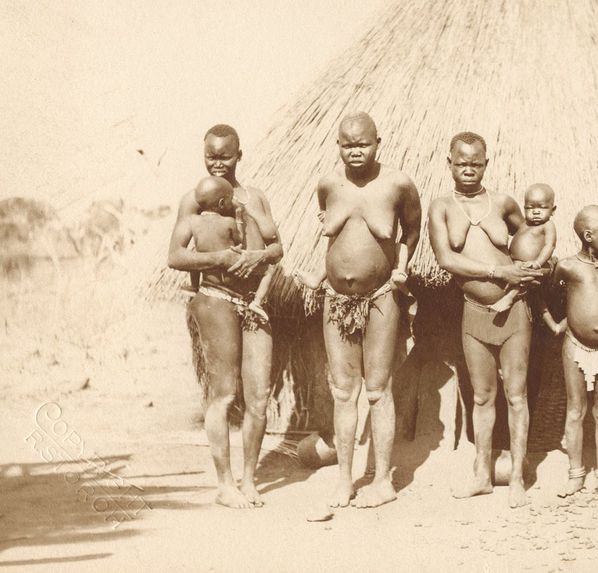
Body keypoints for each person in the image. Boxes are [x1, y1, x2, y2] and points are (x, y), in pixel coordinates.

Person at [297, 112, 421, 516]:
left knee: (377, 389)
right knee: (343, 392)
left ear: (378, 142)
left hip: (381, 297)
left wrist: (402, 265)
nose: (355, 151)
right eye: (347, 144)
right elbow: (331, 232)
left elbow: (413, 229)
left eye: (362, 144)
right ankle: (345, 479)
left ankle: (383, 480)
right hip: (335, 299)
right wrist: (322, 275)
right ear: (338, 145)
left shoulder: (398, 184)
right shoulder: (328, 185)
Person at [168, 124, 283, 509]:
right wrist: (219, 258)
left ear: (239, 155)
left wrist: (257, 257)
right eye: (211, 155)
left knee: (259, 397)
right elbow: (177, 256)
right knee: (222, 394)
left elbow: (276, 246)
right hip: (216, 300)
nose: (217, 163)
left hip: (255, 304)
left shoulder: (254, 197)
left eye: (225, 155)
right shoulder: (194, 200)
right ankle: (224, 484)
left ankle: (249, 480)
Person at [427, 131, 545, 508]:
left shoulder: (504, 203)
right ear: (449, 163)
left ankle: (517, 483)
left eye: (475, 164)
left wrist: (534, 264)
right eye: (461, 164)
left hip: (514, 313)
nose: (468, 170)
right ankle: (481, 474)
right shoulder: (441, 207)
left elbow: (533, 234)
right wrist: (498, 274)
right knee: (481, 396)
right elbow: (447, 259)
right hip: (474, 313)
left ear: (486, 164)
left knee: (516, 394)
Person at [550, 206, 598, 500]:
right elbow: (550, 296)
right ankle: (575, 474)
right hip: (574, 346)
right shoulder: (567, 267)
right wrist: (558, 322)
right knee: (576, 410)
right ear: (589, 236)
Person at [488, 184, 557, 323]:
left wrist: (537, 262)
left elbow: (550, 246)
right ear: (524, 207)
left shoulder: (548, 225)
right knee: (538, 300)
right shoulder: (524, 223)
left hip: (534, 265)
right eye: (530, 208)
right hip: (517, 263)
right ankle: (551, 325)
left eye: (542, 207)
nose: (536, 212)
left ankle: (509, 298)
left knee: (524, 280)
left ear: (553, 210)